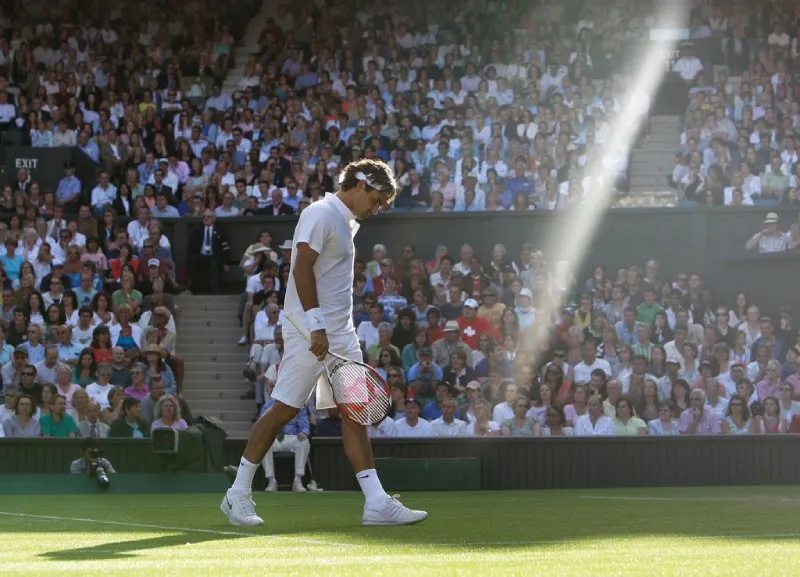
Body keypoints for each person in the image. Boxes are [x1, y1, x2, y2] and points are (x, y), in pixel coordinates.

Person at [223, 159, 427, 527]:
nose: (377, 209)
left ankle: (376, 502)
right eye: (377, 200)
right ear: (361, 185)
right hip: (310, 332)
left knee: (354, 413)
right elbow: (300, 267)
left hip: (341, 334)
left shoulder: (346, 223)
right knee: (283, 410)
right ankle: (237, 493)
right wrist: (316, 326)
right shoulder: (320, 213)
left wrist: (332, 328)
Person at [260, 398, 311, 493]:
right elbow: (262, 425)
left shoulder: (298, 406)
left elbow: (305, 426)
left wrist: (303, 432)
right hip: (273, 438)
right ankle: (271, 481)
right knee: (263, 443)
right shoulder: (267, 406)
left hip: (291, 437)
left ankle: (298, 480)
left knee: (304, 442)